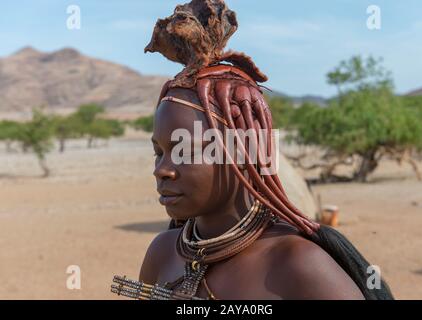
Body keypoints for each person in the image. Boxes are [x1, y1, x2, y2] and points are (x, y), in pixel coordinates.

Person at [113, 0, 393, 300]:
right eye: (159, 152)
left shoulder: (297, 266)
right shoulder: (163, 253)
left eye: (186, 151)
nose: (162, 170)